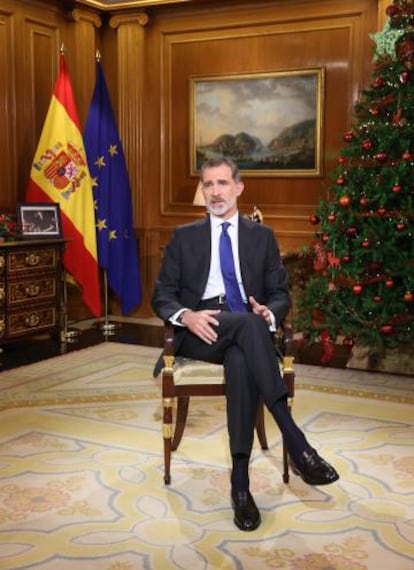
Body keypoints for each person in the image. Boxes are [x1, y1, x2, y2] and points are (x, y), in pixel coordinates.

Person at [152, 157, 339, 532]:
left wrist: (269, 312)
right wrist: (186, 316)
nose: (215, 192)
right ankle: (296, 440)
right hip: (201, 333)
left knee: (242, 353)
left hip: (246, 331)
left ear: (239, 187)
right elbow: (162, 296)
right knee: (246, 330)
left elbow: (280, 295)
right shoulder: (184, 237)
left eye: (222, 183)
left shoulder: (262, 237)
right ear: (203, 191)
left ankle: (240, 487)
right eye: (208, 185)